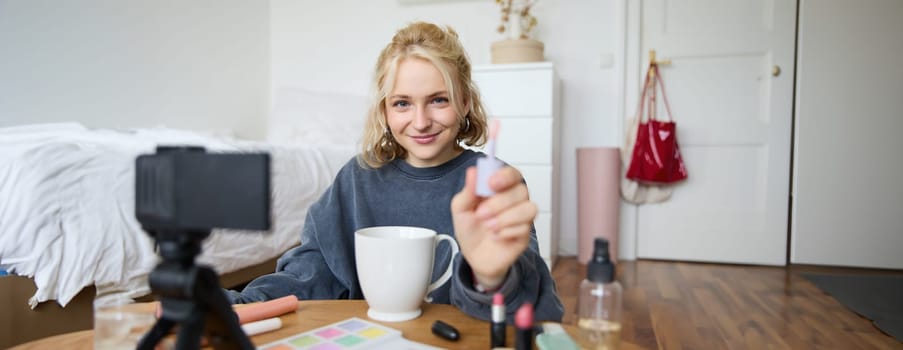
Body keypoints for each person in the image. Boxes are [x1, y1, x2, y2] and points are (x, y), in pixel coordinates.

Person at [227, 21, 564, 322]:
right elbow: (309, 272)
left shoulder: (493, 182)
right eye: (402, 103)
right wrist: (240, 303)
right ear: (385, 110)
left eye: (439, 100)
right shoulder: (356, 179)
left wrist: (491, 277)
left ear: (464, 102)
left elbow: (539, 309)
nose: (420, 122)